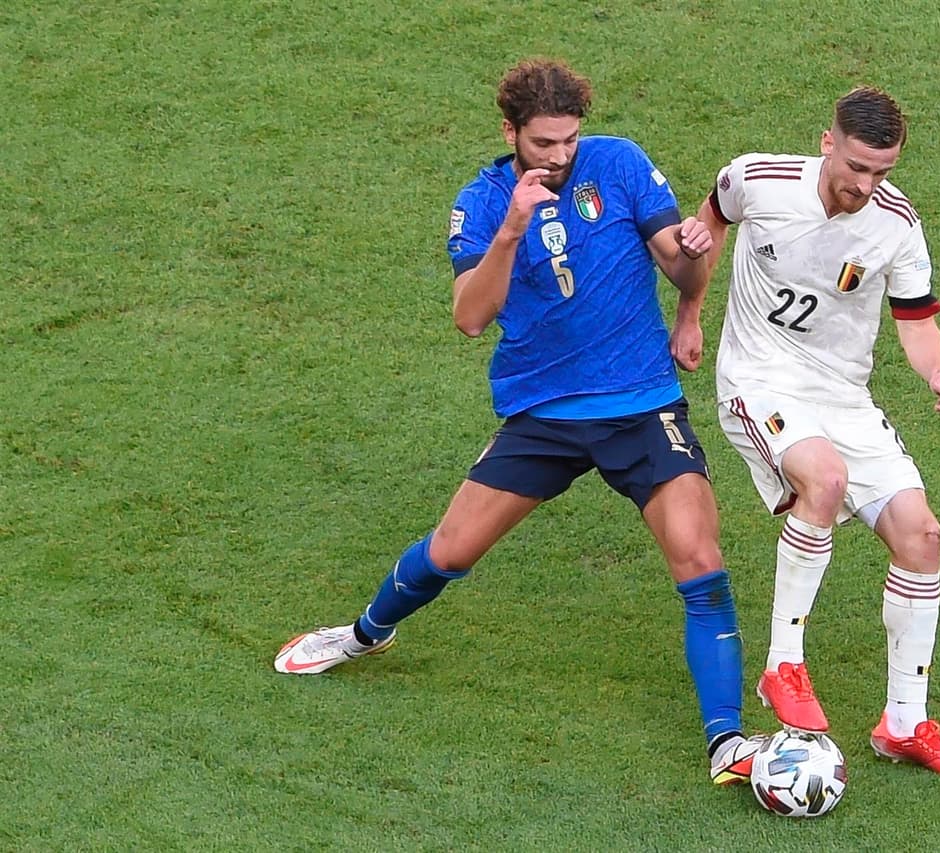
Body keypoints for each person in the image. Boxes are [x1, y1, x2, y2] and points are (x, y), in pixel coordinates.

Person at [274, 58, 761, 785]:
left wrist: (693, 265)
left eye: (569, 141)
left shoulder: (618, 164)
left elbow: (680, 269)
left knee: (701, 558)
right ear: (511, 133)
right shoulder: (482, 199)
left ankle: (727, 740)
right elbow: (470, 318)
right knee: (450, 550)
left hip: (641, 402)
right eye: (543, 144)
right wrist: (511, 229)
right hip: (543, 412)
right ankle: (366, 633)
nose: (561, 157)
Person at [694, 86, 940, 776]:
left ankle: (904, 723)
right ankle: (782, 666)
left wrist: (939, 374)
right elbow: (708, 221)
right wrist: (690, 312)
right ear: (828, 142)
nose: (866, 184)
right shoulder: (757, 179)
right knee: (821, 480)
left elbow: (916, 321)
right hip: (759, 378)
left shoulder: (895, 224)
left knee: (923, 534)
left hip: (842, 396)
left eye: (882, 171)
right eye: (857, 166)